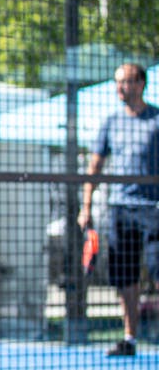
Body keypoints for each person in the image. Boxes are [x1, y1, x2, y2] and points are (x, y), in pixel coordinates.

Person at [78, 62, 159, 357]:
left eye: (125, 82)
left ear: (140, 84)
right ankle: (130, 339)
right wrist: (86, 206)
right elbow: (95, 167)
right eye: (117, 82)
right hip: (119, 210)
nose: (119, 88)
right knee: (125, 278)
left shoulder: (157, 119)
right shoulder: (111, 122)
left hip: (152, 210)